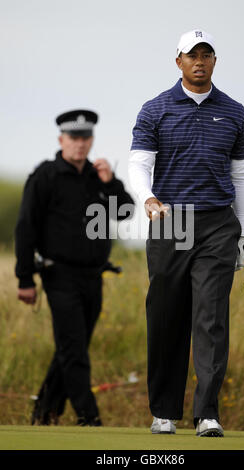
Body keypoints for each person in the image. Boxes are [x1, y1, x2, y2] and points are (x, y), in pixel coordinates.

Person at [129, 30, 244, 436]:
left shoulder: (234, 112)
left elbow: (242, 175)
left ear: (214, 61)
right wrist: (147, 199)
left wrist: (243, 235)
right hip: (171, 220)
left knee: (211, 317)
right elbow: (139, 164)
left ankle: (208, 414)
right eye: (191, 55)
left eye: (207, 54)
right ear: (177, 61)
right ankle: (164, 411)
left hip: (219, 223)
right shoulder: (156, 109)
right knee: (166, 316)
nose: (199, 61)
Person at [15, 109, 134, 426]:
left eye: (85, 138)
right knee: (74, 349)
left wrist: (111, 183)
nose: (80, 144)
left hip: (93, 276)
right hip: (59, 274)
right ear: (61, 140)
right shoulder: (45, 176)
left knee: (72, 347)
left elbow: (125, 211)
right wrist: (24, 278)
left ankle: (44, 413)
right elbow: (25, 228)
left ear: (91, 140)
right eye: (73, 138)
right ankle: (88, 417)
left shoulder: (98, 176)